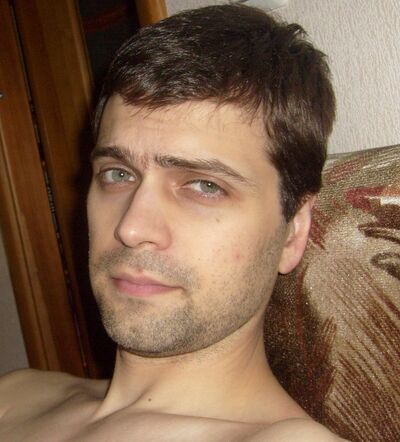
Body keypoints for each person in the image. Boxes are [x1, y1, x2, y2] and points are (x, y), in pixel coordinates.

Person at [0, 4, 346, 441]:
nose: (131, 228)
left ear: (292, 232)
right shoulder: (14, 395)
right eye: (118, 174)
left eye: (204, 186)